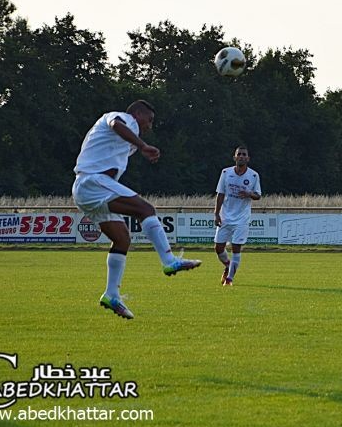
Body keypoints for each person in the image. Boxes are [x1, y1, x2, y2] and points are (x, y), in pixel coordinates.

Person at [72, 100, 201, 319]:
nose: (150, 126)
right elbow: (116, 124)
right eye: (149, 120)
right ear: (137, 114)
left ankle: (111, 294)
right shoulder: (123, 119)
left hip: (86, 189)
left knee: (122, 240)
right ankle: (169, 261)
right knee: (146, 210)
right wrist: (143, 146)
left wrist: (139, 147)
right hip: (93, 182)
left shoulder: (126, 138)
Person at [214, 146, 262, 286]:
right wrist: (216, 214)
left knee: (236, 247)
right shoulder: (225, 172)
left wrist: (249, 194)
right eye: (239, 154)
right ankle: (228, 265)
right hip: (225, 216)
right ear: (234, 157)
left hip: (242, 218)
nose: (241, 156)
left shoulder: (253, 175)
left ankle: (229, 280)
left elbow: (258, 195)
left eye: (244, 154)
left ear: (248, 158)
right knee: (218, 248)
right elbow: (220, 194)